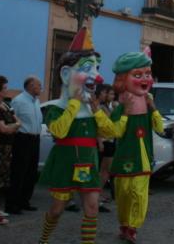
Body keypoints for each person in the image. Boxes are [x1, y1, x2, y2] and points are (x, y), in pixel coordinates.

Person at [36, 27, 118, 244]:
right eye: (87, 68)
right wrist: (74, 102)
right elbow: (59, 131)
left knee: (92, 208)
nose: (97, 76)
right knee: (56, 210)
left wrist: (96, 111)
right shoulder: (56, 108)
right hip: (64, 162)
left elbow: (110, 132)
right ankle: (43, 240)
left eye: (97, 68)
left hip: (88, 163)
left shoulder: (93, 108)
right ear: (65, 74)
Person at [109, 51, 163, 243]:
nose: (145, 79)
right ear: (123, 80)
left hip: (143, 159)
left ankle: (133, 227)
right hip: (124, 158)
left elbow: (160, 127)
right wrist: (125, 112)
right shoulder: (119, 108)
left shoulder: (149, 106)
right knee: (123, 194)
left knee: (139, 195)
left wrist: (154, 107)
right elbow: (115, 132)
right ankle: (124, 224)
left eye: (147, 74)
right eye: (138, 75)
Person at [8, 76, 43, 214]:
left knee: (31, 172)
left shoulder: (36, 101)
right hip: (22, 139)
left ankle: (24, 200)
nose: (41, 87)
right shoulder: (19, 101)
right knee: (19, 171)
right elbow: (12, 119)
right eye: (38, 85)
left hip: (35, 139)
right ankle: (13, 203)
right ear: (30, 85)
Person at [0, 75, 21, 212]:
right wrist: (15, 126)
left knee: (2, 178)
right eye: (5, 88)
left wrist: (14, 125)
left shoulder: (6, 105)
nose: (7, 90)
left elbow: (18, 122)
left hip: (8, 146)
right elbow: (4, 129)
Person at [95, 84, 117, 209]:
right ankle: (96, 195)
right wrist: (99, 141)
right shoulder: (102, 108)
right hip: (104, 140)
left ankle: (99, 193)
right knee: (103, 170)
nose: (112, 96)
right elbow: (103, 123)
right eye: (110, 94)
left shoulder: (109, 106)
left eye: (113, 94)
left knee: (106, 171)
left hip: (110, 140)